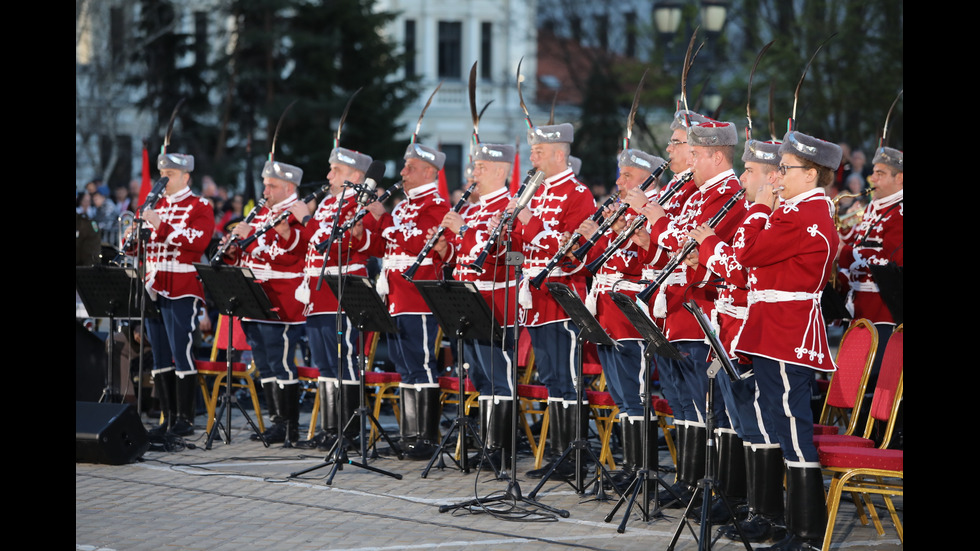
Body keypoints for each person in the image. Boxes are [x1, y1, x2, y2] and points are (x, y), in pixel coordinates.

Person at [732, 130, 842, 550]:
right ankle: (783, 521)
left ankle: (808, 532)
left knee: (792, 424)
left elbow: (749, 252)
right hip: (772, 325)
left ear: (811, 174)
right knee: (776, 418)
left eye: (786, 169)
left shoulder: (806, 214)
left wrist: (760, 205)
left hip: (787, 327)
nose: (777, 176)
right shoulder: (796, 210)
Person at [629, 118, 745, 507]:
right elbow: (678, 242)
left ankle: (712, 484)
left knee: (707, 403)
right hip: (675, 307)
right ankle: (691, 478)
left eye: (694, 153)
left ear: (715, 155)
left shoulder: (728, 194)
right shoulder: (697, 193)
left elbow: (688, 244)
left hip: (701, 311)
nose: (686, 159)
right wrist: (654, 230)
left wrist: (657, 219)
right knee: (682, 401)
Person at [688, 138, 786, 540]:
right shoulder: (753, 211)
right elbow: (732, 266)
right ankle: (748, 502)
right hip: (729, 325)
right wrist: (707, 258)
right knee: (742, 420)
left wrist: (709, 245)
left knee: (758, 421)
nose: (742, 176)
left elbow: (740, 268)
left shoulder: (769, 214)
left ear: (772, 177)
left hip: (750, 328)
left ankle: (766, 512)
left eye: (750, 170)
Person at [508, 122, 596, 480]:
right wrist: (504, 243)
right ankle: (559, 452)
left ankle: (574, 455)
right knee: (551, 378)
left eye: (538, 151)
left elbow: (573, 253)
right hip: (534, 298)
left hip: (561, 296)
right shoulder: (536, 193)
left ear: (559, 154)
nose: (532, 157)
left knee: (567, 377)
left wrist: (527, 223)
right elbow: (521, 252)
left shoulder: (578, 194)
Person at [575, 148, 666, 488]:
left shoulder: (656, 209)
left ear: (647, 178)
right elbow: (607, 263)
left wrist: (618, 233)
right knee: (620, 394)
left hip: (630, 313)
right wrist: (593, 241)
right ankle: (631, 466)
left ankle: (645, 472)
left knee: (636, 393)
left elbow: (644, 261)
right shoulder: (626, 209)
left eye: (627, 175)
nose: (619, 181)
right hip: (606, 311)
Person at [431, 142, 519, 468]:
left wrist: (463, 231)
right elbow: (468, 257)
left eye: (480, 167)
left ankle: (502, 451)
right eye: (474, 166)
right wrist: (446, 250)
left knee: (499, 377)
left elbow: (504, 256)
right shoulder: (475, 207)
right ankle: (488, 444)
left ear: (499, 171)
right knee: (481, 377)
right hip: (468, 299)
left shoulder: (509, 206)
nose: (473, 173)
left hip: (496, 302)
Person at [295, 147, 381, 450]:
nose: (328, 176)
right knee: (325, 364)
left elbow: (334, 244)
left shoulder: (360, 202)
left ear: (355, 176)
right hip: (318, 292)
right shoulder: (329, 203)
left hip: (341, 289)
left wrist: (306, 221)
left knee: (343, 362)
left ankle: (349, 431)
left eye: (335, 170)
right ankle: (331, 429)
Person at [224, 158, 311, 446]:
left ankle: (290, 426)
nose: (266, 189)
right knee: (264, 364)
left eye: (271, 185)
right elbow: (250, 254)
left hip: (283, 301)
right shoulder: (261, 213)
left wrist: (253, 243)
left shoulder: (296, 213)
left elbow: (294, 254)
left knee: (281, 362)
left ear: (288, 187)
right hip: (255, 298)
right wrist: (233, 248)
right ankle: (276, 422)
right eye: (265, 184)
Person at [376, 142, 451, 459]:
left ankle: (426, 437)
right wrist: (382, 219)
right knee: (404, 365)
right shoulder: (404, 205)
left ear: (429, 172)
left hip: (417, 295)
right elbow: (390, 240)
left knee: (421, 365)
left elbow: (418, 240)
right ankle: (409, 434)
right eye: (405, 166)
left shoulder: (435, 204)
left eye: (410, 167)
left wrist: (386, 222)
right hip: (395, 294)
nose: (403, 172)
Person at [134, 152, 215, 437]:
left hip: (182, 287)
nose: (163, 178)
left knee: (182, 352)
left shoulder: (199, 206)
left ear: (185, 176)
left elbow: (196, 243)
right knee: (158, 354)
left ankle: (185, 419)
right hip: (153, 285)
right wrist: (134, 234)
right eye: (162, 173)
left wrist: (160, 225)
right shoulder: (153, 204)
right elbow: (135, 246)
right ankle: (166, 418)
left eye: (170, 174)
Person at [837, 146, 903, 392]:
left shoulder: (899, 212)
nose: (872, 179)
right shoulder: (876, 206)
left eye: (880, 173)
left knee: (876, 387)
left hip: (883, 312)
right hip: (861, 310)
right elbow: (862, 247)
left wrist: (842, 253)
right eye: (873, 172)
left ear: (900, 178)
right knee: (856, 387)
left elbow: (890, 261)